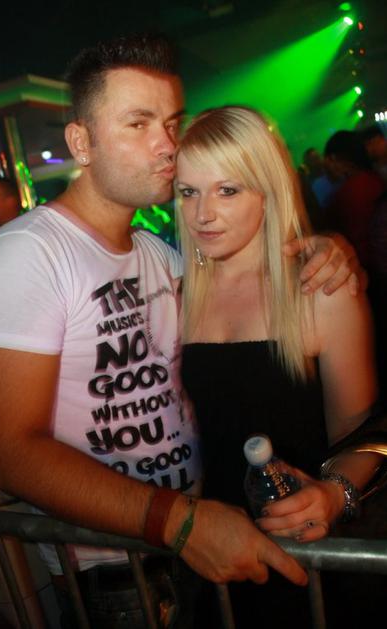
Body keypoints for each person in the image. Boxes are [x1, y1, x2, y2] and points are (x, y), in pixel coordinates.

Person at [0, 34, 362, 627]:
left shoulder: (162, 257)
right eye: (138, 124)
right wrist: (181, 522)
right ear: (81, 142)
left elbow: (244, 280)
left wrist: (329, 250)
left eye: (172, 123)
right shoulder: (26, 253)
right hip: (115, 567)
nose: (167, 146)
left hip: (201, 549)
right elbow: (7, 453)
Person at [175, 106, 381, 627]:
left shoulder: (319, 291)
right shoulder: (175, 295)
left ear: (268, 190)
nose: (202, 214)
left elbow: (366, 434)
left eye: (227, 190)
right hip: (212, 561)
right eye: (188, 191)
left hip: (305, 562)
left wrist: (333, 494)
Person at [324, 130, 385, 269]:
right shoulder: (375, 178)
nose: (326, 172)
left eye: (326, 164)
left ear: (334, 159)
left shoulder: (350, 191)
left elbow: (359, 239)